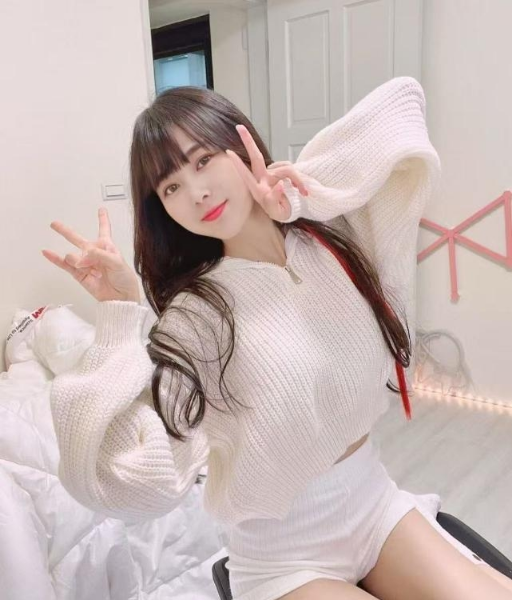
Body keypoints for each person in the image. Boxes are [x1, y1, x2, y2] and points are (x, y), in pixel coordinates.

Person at [42, 77, 512, 600]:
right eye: (170, 187)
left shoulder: (330, 238)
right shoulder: (196, 317)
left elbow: (402, 111)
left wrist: (300, 197)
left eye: (203, 160)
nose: (196, 192)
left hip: (374, 505)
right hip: (285, 557)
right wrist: (118, 318)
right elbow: (117, 480)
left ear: (240, 142)